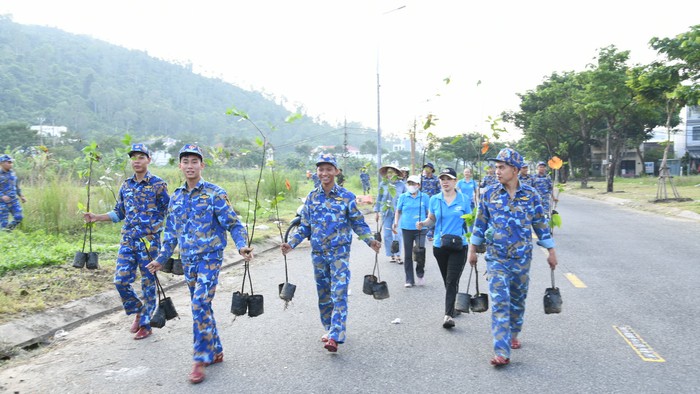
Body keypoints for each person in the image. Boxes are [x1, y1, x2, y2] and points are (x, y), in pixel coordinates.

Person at [146, 144, 254, 384]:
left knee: (198, 304)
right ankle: (215, 349)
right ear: (180, 165)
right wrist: (160, 259)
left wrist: (241, 245)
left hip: (210, 258)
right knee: (202, 306)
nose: (190, 166)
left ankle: (200, 357)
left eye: (195, 161)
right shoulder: (176, 197)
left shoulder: (215, 193)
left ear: (202, 165)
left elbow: (233, 224)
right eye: (185, 161)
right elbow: (170, 233)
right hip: (188, 261)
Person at [281, 153, 381, 353]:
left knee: (339, 292)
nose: (324, 173)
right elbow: (305, 227)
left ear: (336, 171)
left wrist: (370, 240)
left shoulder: (347, 197)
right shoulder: (312, 197)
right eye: (321, 169)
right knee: (324, 294)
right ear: (317, 172)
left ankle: (336, 334)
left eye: (329, 169)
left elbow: (357, 223)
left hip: (339, 253)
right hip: (318, 254)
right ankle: (328, 328)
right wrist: (290, 244)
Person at [467, 148, 558, 367]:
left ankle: (514, 332)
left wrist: (551, 251)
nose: (497, 171)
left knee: (517, 301)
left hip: (522, 258)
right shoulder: (488, 193)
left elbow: (540, 224)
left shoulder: (531, 195)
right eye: (496, 167)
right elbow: (480, 223)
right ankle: (501, 351)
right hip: (496, 258)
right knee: (500, 302)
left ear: (515, 170)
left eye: (502, 167)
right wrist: (472, 248)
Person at [83, 144, 169, 340]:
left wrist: (161, 232)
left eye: (141, 157)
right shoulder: (126, 185)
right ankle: (139, 310)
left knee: (148, 282)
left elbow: (169, 211)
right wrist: (96, 217)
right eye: (134, 158)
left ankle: (146, 324)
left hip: (149, 242)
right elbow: (119, 212)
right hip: (128, 240)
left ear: (149, 160)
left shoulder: (158, 185)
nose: (137, 161)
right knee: (120, 280)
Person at [416, 168, 471, 329]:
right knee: (448, 280)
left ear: (455, 181)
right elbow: (431, 219)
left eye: (449, 179)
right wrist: (423, 224)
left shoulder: (464, 199)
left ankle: (448, 315)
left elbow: (470, 221)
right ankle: (453, 304)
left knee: (451, 279)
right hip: (440, 246)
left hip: (459, 245)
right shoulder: (435, 199)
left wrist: (475, 241)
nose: (445, 182)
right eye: (442, 179)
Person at [393, 175, 430, 287]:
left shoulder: (425, 197)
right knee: (408, 254)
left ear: (418, 185)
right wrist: (395, 222)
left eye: (413, 184)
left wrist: (426, 223)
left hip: (420, 228)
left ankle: (420, 273)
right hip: (406, 228)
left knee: (420, 251)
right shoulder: (403, 197)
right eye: (409, 183)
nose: (411, 186)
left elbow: (429, 213)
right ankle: (409, 279)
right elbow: (398, 211)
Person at [374, 165, 406, 263]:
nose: (390, 175)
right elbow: (379, 198)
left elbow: (406, 199)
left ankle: (397, 254)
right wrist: (377, 212)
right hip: (386, 212)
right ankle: (391, 253)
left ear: (396, 174)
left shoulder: (401, 185)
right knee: (387, 234)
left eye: (392, 172)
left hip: (398, 213)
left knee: (397, 232)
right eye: (388, 173)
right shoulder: (383, 184)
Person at [0, 154, 26, 231]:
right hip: (2, 202)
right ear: (2, 163)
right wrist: (2, 196)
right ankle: (5, 236)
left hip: (13, 201)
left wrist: (21, 196)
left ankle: (8, 231)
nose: (11, 164)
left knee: (19, 217)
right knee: (3, 222)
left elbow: (16, 186)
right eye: (9, 162)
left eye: (11, 162)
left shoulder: (12, 173)